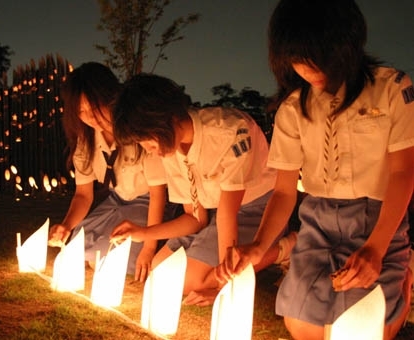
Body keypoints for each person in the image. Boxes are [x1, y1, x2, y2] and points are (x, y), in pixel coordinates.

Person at [216, 0, 414, 339]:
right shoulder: (293, 109)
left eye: (320, 55)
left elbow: (403, 173)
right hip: (318, 223)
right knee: (302, 326)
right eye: (299, 59)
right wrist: (259, 246)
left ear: (346, 43)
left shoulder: (392, 89)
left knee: (360, 327)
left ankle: (401, 282)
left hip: (378, 219)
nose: (310, 68)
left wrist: (377, 248)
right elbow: (284, 191)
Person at [110, 73, 297, 305]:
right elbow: (195, 218)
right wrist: (142, 232)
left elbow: (229, 213)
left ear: (164, 119)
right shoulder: (171, 148)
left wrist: (223, 284)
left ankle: (285, 248)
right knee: (160, 273)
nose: (148, 150)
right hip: (216, 215)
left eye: (147, 141)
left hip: (256, 208)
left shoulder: (230, 132)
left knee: (190, 282)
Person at [48, 62, 178, 282]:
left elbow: (158, 194)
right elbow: (83, 194)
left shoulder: (137, 130)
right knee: (75, 246)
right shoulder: (86, 140)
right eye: (81, 111)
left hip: (149, 201)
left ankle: (156, 241)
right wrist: (66, 225)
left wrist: (149, 247)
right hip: (116, 200)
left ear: (111, 98)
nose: (91, 117)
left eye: (95, 107)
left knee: (114, 257)